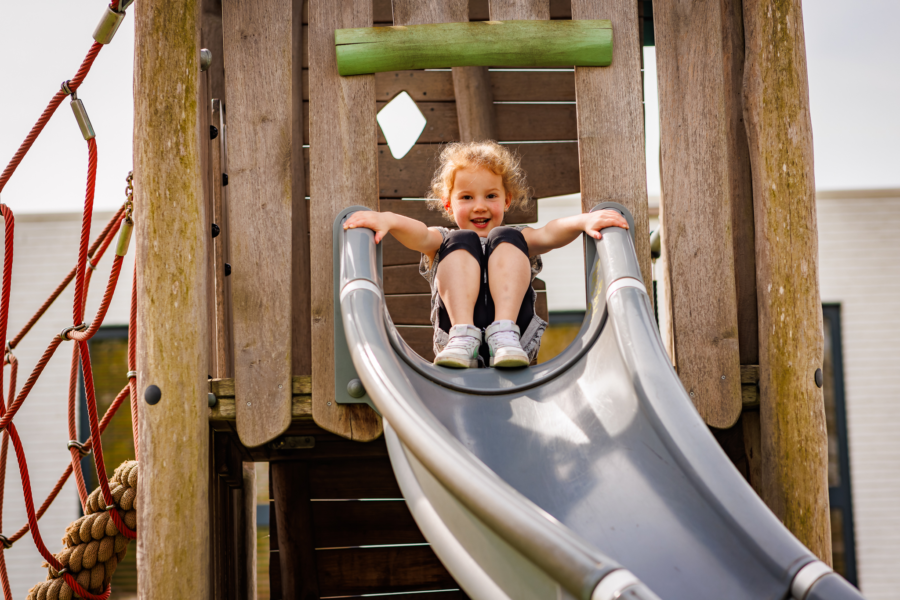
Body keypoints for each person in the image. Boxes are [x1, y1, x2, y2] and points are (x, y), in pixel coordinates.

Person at [343, 141, 629, 369]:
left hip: (516, 344)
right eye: (467, 197)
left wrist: (582, 222)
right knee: (458, 240)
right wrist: (389, 220)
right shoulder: (444, 240)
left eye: (490, 196)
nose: (479, 206)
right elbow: (419, 233)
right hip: (454, 345)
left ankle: (504, 333)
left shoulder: (517, 239)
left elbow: (549, 233)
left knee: (507, 237)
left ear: (506, 199)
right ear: (448, 205)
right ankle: (463, 333)